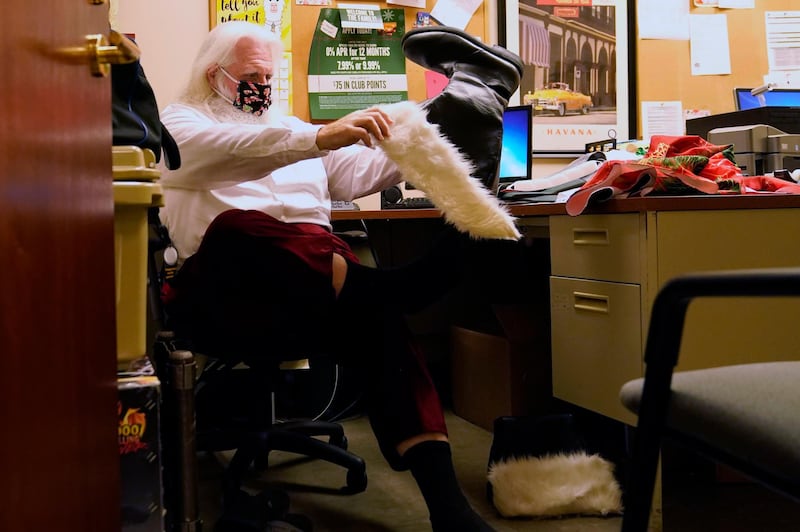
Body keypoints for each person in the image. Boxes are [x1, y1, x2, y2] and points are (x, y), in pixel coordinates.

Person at [158, 20, 522, 532]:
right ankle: (403, 287)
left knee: (378, 325)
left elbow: (363, 169)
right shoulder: (179, 125)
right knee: (242, 229)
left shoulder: (293, 133)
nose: (261, 83)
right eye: (249, 74)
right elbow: (231, 150)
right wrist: (319, 136)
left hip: (315, 293)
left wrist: (430, 123)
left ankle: (449, 509)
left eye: (269, 73)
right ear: (213, 74)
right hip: (227, 297)